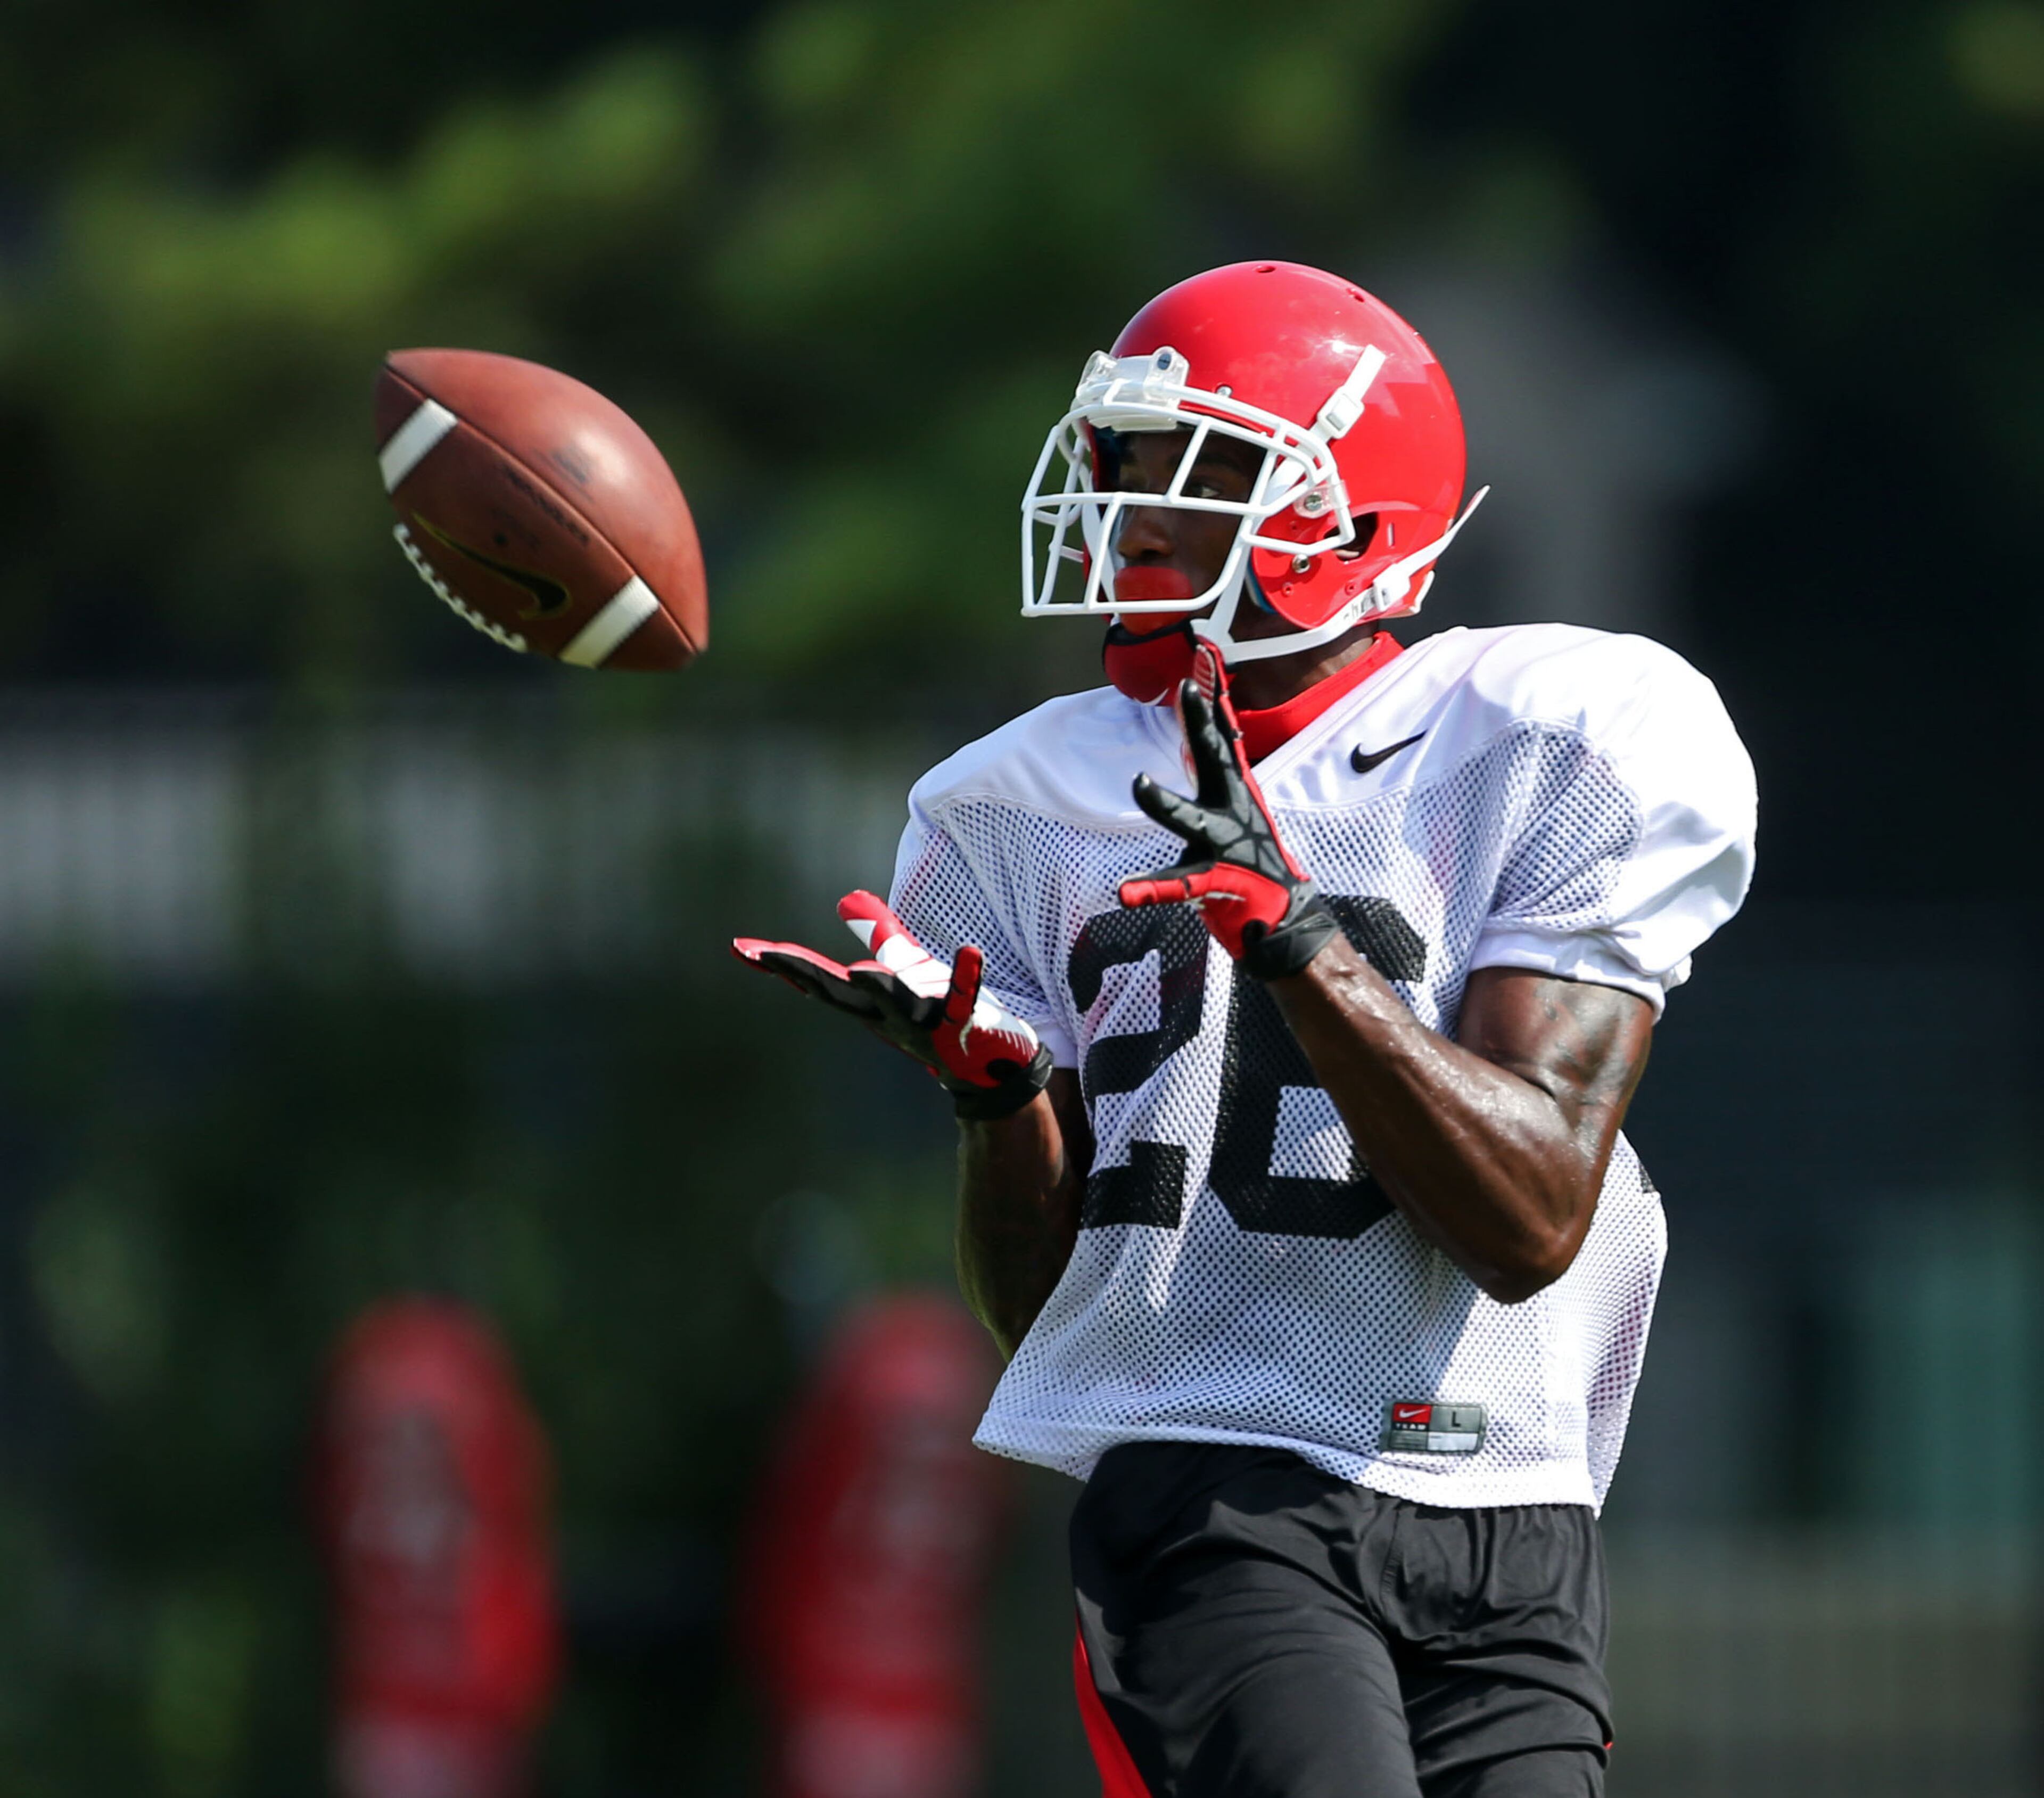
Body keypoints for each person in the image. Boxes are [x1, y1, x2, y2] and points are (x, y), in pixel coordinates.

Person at [733, 260, 1756, 1798]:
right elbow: (1050, 1321)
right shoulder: (1019, 802)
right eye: (1126, 462)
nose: (1134, 512)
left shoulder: (1548, 735)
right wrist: (997, 1102)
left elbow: (1532, 1214)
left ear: (1351, 518)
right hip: (1216, 1491)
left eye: (1199, 471)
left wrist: (1296, 940)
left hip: (1516, 1507)